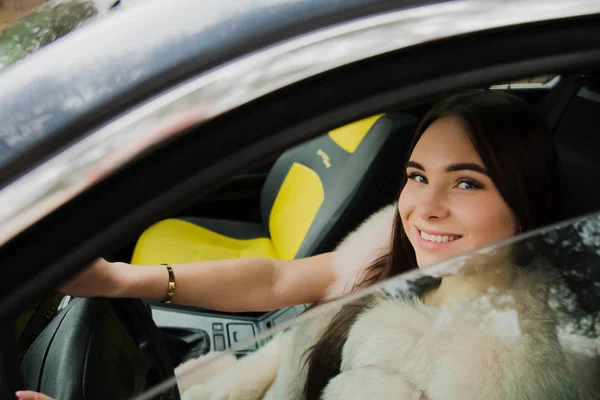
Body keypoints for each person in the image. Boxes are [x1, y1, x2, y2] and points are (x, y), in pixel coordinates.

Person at [18, 90, 599, 399]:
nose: (425, 206)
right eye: (418, 175)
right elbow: (277, 282)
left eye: (467, 182)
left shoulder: (492, 377)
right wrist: (121, 280)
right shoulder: (400, 249)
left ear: (529, 202)